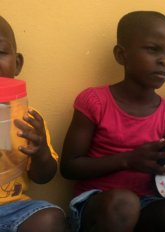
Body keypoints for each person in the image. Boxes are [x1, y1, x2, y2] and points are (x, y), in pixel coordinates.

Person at [60, 11, 165, 232]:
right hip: (98, 206)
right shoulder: (95, 102)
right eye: (153, 49)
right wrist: (128, 160)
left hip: (146, 203)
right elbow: (69, 167)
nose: (164, 60)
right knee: (124, 204)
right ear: (121, 55)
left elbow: (164, 184)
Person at [0, 16, 66, 232]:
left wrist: (41, 153)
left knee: (50, 216)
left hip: (13, 209)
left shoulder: (28, 119)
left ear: (17, 64)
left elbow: (43, 177)